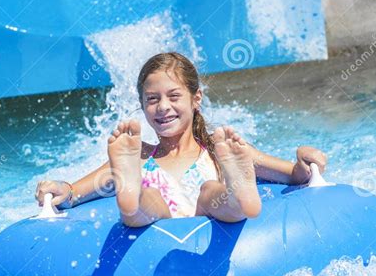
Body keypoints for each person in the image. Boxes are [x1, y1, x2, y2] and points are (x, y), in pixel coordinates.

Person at [35, 52, 327, 227]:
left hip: (210, 211)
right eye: (152, 100)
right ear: (141, 104)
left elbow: (293, 176)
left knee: (211, 191)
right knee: (148, 198)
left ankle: (239, 193)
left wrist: (304, 160)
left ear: (196, 98)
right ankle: (131, 196)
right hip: (155, 221)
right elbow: (73, 192)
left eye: (174, 96)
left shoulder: (218, 148)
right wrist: (60, 188)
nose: (163, 107)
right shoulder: (135, 156)